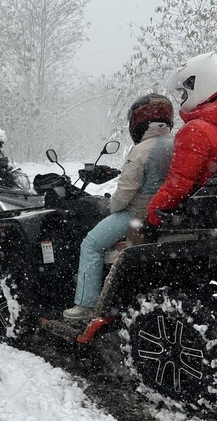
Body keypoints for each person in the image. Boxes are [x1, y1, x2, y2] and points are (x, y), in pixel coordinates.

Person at [63, 94, 175, 322]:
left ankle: (86, 306)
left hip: (137, 213)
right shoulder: (178, 143)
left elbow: (124, 193)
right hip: (166, 211)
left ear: (139, 122)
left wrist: (112, 208)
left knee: (91, 245)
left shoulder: (141, 150)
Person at [145, 51, 217, 228]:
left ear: (199, 84)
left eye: (184, 91)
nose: (182, 97)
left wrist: (152, 216)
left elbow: (179, 185)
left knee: (133, 243)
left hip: (199, 212)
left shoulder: (195, 130)